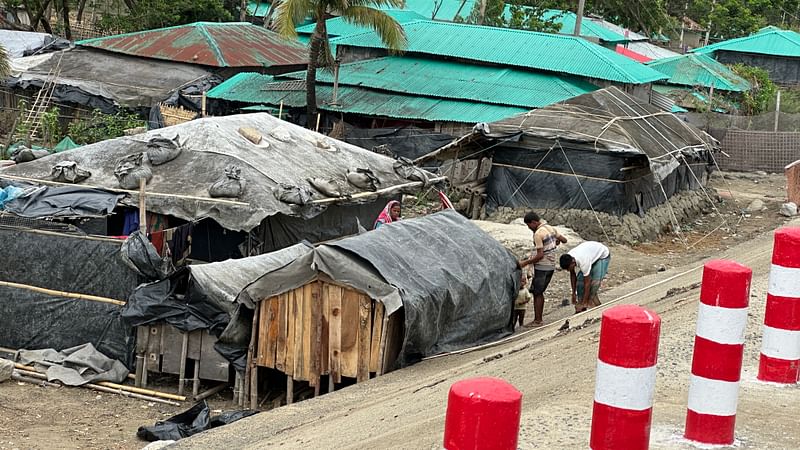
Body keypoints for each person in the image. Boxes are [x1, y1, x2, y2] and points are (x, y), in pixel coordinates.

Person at [517, 212, 567, 326]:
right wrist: (554, 242)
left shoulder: (538, 234)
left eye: (529, 225)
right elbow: (564, 240)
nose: (529, 228)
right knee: (540, 292)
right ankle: (538, 319)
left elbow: (539, 255)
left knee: (537, 292)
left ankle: (538, 320)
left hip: (542, 266)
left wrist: (525, 263)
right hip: (551, 265)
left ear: (534, 222)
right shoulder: (550, 228)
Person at [559, 241, 611, 313]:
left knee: (594, 284)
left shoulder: (583, 261)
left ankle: (591, 306)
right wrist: (573, 293)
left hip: (601, 256)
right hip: (590, 255)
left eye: (568, 268)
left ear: (573, 262)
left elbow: (587, 283)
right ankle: (589, 306)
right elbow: (573, 275)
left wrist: (585, 303)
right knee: (580, 285)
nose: (568, 270)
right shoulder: (568, 257)